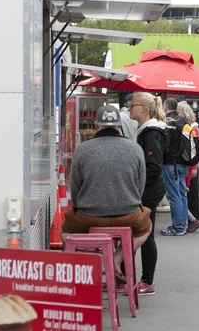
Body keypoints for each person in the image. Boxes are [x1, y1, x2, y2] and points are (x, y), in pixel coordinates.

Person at [61, 105, 151, 281]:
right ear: (119, 125)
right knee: (145, 228)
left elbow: (75, 188)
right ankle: (117, 257)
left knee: (64, 232)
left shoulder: (83, 149)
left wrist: (84, 204)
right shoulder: (135, 149)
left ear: (97, 124)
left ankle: (95, 259)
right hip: (128, 214)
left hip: (89, 215)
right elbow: (140, 188)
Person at [129, 92, 167, 295]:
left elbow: (152, 167)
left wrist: (137, 187)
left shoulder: (151, 133)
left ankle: (147, 281)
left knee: (145, 234)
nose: (129, 108)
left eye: (133, 105)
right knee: (142, 234)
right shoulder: (147, 130)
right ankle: (134, 278)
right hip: (146, 191)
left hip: (147, 192)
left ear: (144, 109)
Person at [160, 98, 189, 236]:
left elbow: (165, 146)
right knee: (182, 194)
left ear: (165, 107)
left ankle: (177, 227)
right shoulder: (183, 121)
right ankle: (182, 224)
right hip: (183, 162)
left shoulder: (167, 122)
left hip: (170, 163)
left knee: (173, 195)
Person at [177, 101, 199, 232]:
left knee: (190, 194)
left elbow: (196, 149)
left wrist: (195, 167)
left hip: (191, 166)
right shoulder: (189, 127)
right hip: (189, 165)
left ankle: (193, 220)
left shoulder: (193, 128)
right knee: (185, 194)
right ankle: (191, 221)